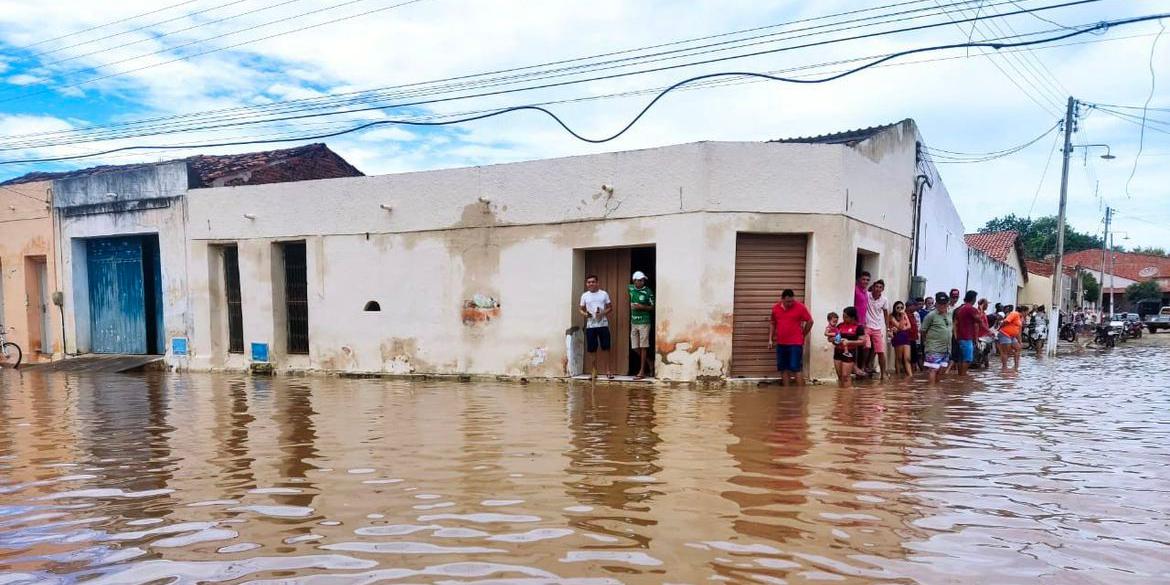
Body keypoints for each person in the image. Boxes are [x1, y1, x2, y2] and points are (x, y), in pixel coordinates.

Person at [768, 289, 814, 387]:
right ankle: (786, 392)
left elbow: (810, 321)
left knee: (796, 367)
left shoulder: (800, 307)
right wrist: (770, 339)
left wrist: (803, 334)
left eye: (792, 301)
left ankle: (801, 394)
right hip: (781, 343)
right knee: (783, 368)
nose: (790, 303)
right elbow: (772, 323)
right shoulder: (775, 308)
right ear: (782, 299)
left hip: (795, 343)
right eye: (788, 301)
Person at [579, 275, 613, 379]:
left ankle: (608, 371)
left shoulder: (603, 294)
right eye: (589, 282)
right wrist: (585, 314)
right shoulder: (584, 295)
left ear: (597, 283)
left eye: (593, 282)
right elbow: (580, 309)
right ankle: (594, 372)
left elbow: (610, 308)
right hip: (590, 326)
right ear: (586, 284)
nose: (591, 284)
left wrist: (602, 313)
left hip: (603, 325)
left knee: (606, 348)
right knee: (592, 349)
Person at [920, 292, 954, 384]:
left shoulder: (950, 314)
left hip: (946, 348)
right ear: (936, 303)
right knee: (933, 369)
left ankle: (936, 390)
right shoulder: (931, 315)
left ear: (948, 303)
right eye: (940, 303)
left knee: (941, 370)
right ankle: (931, 391)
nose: (942, 306)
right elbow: (923, 330)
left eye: (944, 303)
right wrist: (926, 343)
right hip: (933, 348)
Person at [628, 271, 655, 380]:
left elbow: (652, 307)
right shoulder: (630, 288)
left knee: (644, 346)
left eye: (643, 280)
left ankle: (642, 371)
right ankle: (650, 362)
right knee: (634, 347)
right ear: (634, 281)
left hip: (644, 322)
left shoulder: (648, 292)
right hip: (634, 322)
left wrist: (641, 307)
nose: (642, 282)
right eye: (639, 280)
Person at [832, 307, 867, 388]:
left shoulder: (859, 327)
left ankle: (848, 397)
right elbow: (834, 338)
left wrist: (849, 342)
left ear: (853, 317)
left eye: (846, 317)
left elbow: (863, 341)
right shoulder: (840, 325)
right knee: (840, 377)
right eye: (843, 316)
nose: (844, 318)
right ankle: (841, 397)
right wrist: (834, 340)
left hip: (849, 353)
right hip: (837, 352)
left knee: (845, 376)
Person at [865, 279, 891, 378]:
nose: (878, 289)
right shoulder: (867, 295)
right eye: (876, 286)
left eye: (880, 287)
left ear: (883, 289)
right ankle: (865, 365)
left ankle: (883, 373)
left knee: (880, 351)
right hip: (867, 325)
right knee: (867, 346)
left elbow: (886, 315)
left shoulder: (884, 300)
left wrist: (888, 329)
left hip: (877, 327)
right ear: (873, 287)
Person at [954, 290, 981, 376]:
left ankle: (960, 376)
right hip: (967, 337)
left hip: (959, 337)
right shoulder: (971, 309)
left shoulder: (959, 309)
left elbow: (955, 323)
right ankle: (963, 376)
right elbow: (979, 321)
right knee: (968, 359)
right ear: (973, 299)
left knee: (961, 358)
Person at [853, 272, 871, 377]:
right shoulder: (855, 289)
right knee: (855, 346)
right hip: (855, 323)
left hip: (863, 324)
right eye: (863, 279)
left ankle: (862, 367)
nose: (865, 281)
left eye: (867, 280)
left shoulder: (866, 292)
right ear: (859, 279)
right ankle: (855, 367)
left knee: (866, 346)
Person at [888, 301, 913, 376]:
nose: (900, 309)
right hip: (898, 338)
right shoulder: (891, 316)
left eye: (902, 307)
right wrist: (902, 317)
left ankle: (910, 375)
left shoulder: (905, 314)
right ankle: (898, 375)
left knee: (907, 358)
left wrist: (900, 328)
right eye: (898, 307)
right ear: (894, 308)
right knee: (899, 358)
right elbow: (900, 326)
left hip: (905, 337)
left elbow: (909, 326)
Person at [997, 304, 1024, 371]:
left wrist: (1020, 342)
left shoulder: (1020, 318)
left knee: (1018, 348)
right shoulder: (1014, 314)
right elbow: (1006, 321)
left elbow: (1018, 332)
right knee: (1006, 351)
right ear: (1023, 312)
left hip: (1012, 336)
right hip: (1005, 334)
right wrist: (1000, 327)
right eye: (1026, 312)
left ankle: (1016, 367)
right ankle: (1004, 368)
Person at [907, 298, 923, 372]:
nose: (916, 307)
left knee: (914, 357)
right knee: (910, 357)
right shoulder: (905, 315)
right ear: (910, 306)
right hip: (908, 339)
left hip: (914, 339)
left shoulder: (914, 314)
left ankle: (912, 373)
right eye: (915, 305)